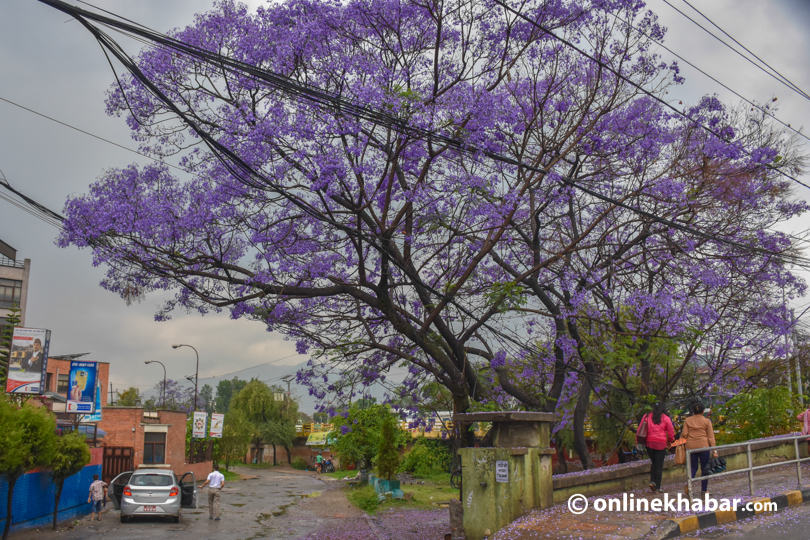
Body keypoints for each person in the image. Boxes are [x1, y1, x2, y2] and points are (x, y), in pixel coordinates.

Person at [682, 402, 718, 497]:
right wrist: (714, 451)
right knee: (705, 468)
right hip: (703, 446)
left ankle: (689, 485)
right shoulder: (707, 421)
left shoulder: (687, 420)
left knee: (693, 467)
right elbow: (711, 437)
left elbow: (684, 434)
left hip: (691, 447)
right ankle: (704, 491)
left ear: (694, 411)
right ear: (703, 411)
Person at [637, 403, 674, 493]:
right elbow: (671, 432)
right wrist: (670, 441)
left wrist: (637, 441)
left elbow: (639, 430)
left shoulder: (647, 416)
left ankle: (652, 481)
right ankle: (658, 487)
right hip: (661, 444)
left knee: (654, 462)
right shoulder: (666, 418)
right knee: (659, 465)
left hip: (649, 443)